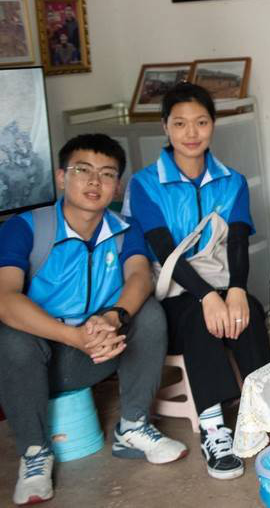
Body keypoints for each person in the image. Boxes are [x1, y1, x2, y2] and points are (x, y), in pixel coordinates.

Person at [0, 134, 186, 506]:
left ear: (117, 186)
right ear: (61, 177)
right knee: (11, 337)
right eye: (82, 170)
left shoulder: (125, 228)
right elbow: (5, 299)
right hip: (37, 362)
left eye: (107, 174)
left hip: (100, 352)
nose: (94, 182)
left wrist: (114, 317)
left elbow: (140, 276)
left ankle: (133, 426)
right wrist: (72, 336)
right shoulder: (25, 227)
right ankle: (35, 453)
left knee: (148, 312)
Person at [124, 83, 270, 480]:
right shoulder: (144, 183)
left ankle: (260, 413)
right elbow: (161, 248)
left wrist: (237, 290)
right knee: (197, 316)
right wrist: (208, 296)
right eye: (180, 123)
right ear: (165, 127)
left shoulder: (232, 180)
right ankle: (213, 428)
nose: (192, 133)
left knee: (249, 310)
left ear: (213, 125)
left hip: (221, 278)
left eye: (201, 122)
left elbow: (237, 240)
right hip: (172, 288)